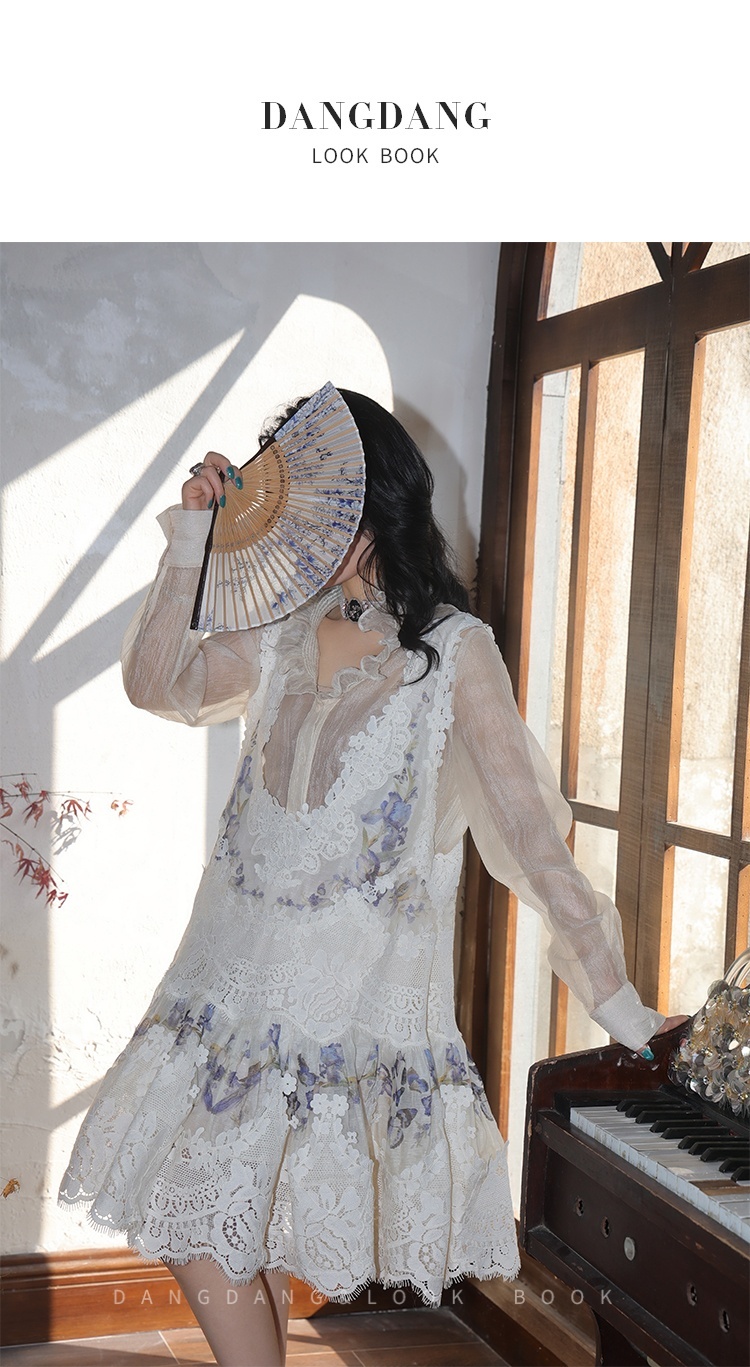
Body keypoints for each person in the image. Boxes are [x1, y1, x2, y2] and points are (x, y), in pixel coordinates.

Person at [58, 389, 685, 1366]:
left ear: (362, 501)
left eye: (306, 503)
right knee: (224, 1227)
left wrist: (616, 999)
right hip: (222, 990)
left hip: (339, 1013)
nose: (291, 528)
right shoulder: (279, 629)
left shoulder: (454, 653)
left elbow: (532, 837)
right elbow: (156, 683)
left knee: (216, 1224)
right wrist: (190, 535)